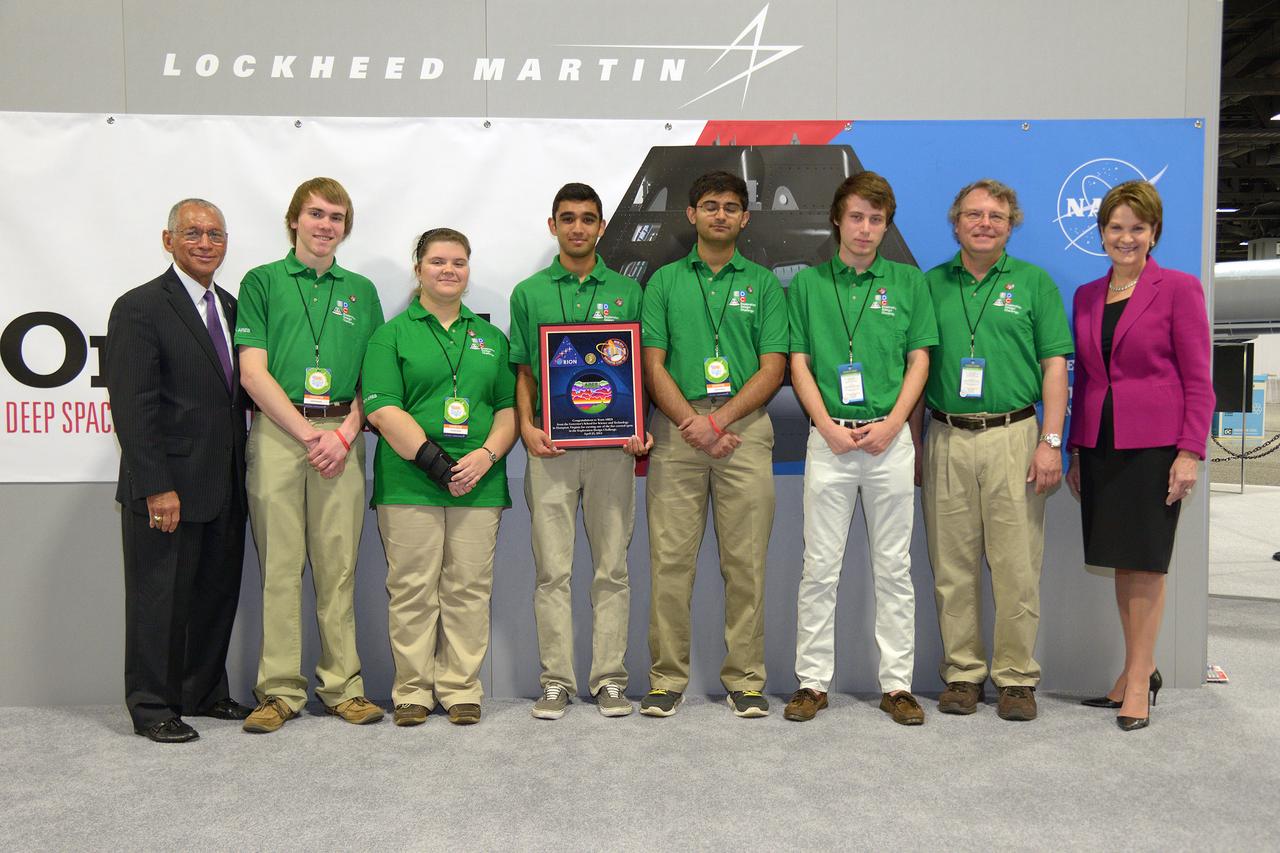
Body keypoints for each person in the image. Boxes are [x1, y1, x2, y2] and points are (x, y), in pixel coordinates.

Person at [783, 173, 938, 726]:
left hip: (888, 442)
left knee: (894, 568)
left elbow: (919, 360)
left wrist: (895, 424)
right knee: (819, 567)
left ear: (886, 225)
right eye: (856, 217)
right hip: (828, 440)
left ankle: (897, 685)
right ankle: (810, 682)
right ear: (837, 220)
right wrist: (823, 424)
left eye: (876, 219)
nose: (866, 229)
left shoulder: (907, 283)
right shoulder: (807, 285)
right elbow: (797, 361)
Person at [235, 177, 386, 733]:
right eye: (317, 214)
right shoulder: (262, 281)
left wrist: (345, 433)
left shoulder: (362, 290)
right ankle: (279, 692)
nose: (326, 226)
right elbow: (253, 372)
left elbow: (377, 378)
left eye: (337, 217)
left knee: (337, 567)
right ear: (293, 219)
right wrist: (306, 433)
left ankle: (342, 688)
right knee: (279, 566)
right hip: (280, 432)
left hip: (342, 435)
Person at [920, 178, 1073, 721]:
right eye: (974, 214)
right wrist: (917, 445)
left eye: (997, 216)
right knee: (951, 566)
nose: (985, 224)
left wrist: (1051, 442)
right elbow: (914, 368)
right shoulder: (929, 284)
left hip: (1016, 436)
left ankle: (1015, 679)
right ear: (955, 221)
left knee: (1015, 566)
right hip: (945, 435)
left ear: (1013, 225)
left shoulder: (1034, 284)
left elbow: (1055, 364)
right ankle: (962, 674)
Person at [1065, 180, 1213, 731]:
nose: (1125, 238)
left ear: (1155, 233)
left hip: (1155, 448)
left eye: (1137, 227)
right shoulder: (1085, 295)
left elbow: (1199, 380)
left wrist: (1189, 451)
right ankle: (1135, 670)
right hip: (1101, 445)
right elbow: (1084, 379)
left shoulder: (1178, 288)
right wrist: (1078, 448)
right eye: (1115, 227)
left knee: (1147, 564)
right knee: (1123, 562)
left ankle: (1139, 680)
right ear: (1101, 232)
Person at [640, 170, 788, 718]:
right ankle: (665, 679)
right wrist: (692, 422)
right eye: (710, 206)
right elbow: (651, 364)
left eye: (731, 207)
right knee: (670, 564)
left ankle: (746, 679)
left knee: (745, 565)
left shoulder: (765, 284)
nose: (720, 214)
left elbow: (773, 367)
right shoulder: (663, 282)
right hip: (677, 431)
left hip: (744, 431)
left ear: (745, 218)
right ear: (691, 215)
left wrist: (719, 421)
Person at [105, 198, 250, 742]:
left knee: (215, 595)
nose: (206, 243)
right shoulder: (140, 307)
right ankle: (152, 706)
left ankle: (204, 691)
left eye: (215, 233)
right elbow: (134, 407)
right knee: (158, 600)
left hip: (226, 483)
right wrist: (156, 486)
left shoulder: (234, 309)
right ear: (168, 241)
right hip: (168, 486)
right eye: (192, 233)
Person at [362, 228, 517, 727]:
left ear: (468, 271)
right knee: (411, 588)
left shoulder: (491, 338)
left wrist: (486, 456)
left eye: (458, 262)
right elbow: (383, 407)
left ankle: (460, 688)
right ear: (418, 269)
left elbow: (510, 408)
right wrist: (437, 464)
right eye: (437, 261)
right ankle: (412, 690)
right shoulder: (391, 334)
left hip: (479, 482)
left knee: (469, 588)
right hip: (410, 481)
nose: (448, 270)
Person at [508, 183, 651, 720]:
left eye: (588, 219)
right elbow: (522, 368)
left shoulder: (628, 291)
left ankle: (611, 679)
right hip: (550, 448)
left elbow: (639, 370)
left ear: (600, 228)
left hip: (615, 449)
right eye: (567, 218)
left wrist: (640, 428)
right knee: (553, 571)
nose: (577, 228)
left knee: (612, 569)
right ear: (553, 226)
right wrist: (526, 426)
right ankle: (556, 682)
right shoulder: (529, 293)